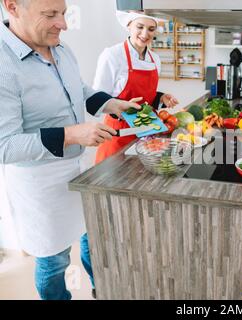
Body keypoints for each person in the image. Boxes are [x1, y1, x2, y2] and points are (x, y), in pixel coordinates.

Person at [0, 0, 142, 300]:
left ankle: (102, 291)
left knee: (92, 237)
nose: (63, 24)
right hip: (40, 184)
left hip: (77, 169)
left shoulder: (60, 49)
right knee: (55, 261)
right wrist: (71, 134)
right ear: (12, 7)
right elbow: (4, 146)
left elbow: (79, 91)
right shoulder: (4, 63)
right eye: (50, 15)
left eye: (63, 13)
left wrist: (112, 103)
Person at [93, 11, 179, 164]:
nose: (145, 34)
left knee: (140, 176)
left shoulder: (155, 59)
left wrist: (160, 98)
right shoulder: (112, 55)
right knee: (112, 179)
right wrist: (120, 106)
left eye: (151, 29)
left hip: (146, 132)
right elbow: (96, 99)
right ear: (129, 26)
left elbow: (146, 97)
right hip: (118, 132)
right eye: (140, 27)